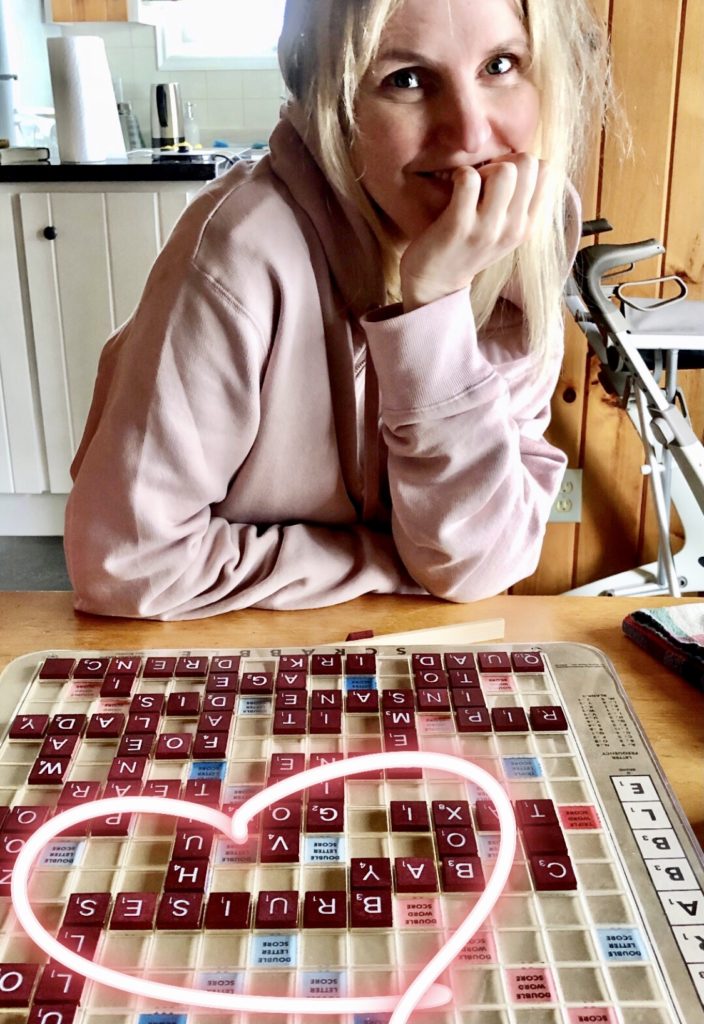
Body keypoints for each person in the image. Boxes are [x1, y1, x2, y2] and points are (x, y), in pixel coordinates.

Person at [64, 0, 611, 620]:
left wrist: (435, 300)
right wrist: (391, 563)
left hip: (417, 662)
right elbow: (125, 564)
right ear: (333, 102)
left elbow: (478, 562)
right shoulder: (240, 250)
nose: (471, 135)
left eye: (501, 64)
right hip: (231, 666)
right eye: (405, 79)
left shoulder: (525, 235)